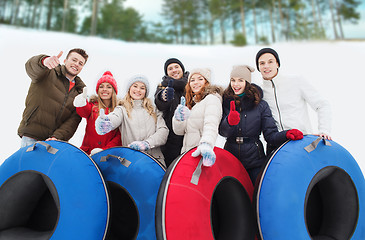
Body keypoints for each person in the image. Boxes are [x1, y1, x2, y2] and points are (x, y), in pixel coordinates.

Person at [219, 65, 303, 184]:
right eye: (233, 80)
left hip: (254, 160)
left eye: (240, 80)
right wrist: (229, 122)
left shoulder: (260, 105)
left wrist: (286, 135)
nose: (236, 84)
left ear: (247, 82)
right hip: (231, 157)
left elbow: (270, 136)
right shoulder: (226, 102)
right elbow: (223, 132)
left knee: (257, 193)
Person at [256, 47, 332, 154]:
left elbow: (322, 105)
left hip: (302, 142)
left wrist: (324, 130)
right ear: (259, 67)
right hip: (277, 147)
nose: (266, 66)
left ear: (277, 64)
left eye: (270, 62)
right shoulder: (259, 92)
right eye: (262, 63)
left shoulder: (296, 81)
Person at [18, 49, 88, 148]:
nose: (76, 64)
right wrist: (43, 61)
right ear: (65, 60)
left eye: (80, 63)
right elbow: (31, 66)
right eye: (74, 60)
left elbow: (73, 120)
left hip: (54, 143)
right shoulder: (47, 72)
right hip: (32, 136)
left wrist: (57, 137)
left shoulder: (80, 93)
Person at [95, 75, 168, 166]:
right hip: (132, 161)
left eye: (142, 88)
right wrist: (107, 122)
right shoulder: (122, 109)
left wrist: (147, 143)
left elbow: (163, 131)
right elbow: (114, 117)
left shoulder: (154, 109)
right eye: (135, 86)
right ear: (129, 89)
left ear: (145, 92)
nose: (138, 90)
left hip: (155, 160)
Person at [172, 68, 222, 167]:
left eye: (200, 79)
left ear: (207, 82)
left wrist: (206, 144)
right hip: (188, 155)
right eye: (192, 80)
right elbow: (179, 132)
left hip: (202, 154)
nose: (196, 83)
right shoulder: (194, 103)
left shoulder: (212, 99)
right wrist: (178, 119)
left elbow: (211, 124)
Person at [73, 71, 122, 155]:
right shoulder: (92, 106)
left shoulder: (119, 110)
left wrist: (105, 150)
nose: (104, 89)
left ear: (113, 90)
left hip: (108, 154)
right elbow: (84, 111)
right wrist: (82, 103)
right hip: (88, 153)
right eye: (101, 86)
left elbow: (119, 136)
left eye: (109, 87)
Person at [154, 58, 189, 167]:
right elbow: (159, 102)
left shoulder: (191, 85)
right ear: (167, 73)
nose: (174, 70)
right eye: (170, 68)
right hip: (170, 142)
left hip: (190, 137)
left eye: (176, 67)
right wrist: (163, 96)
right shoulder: (163, 86)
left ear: (182, 69)